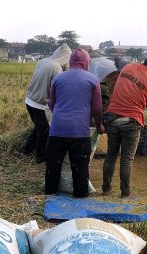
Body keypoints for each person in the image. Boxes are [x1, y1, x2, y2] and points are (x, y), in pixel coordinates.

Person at [102, 52, 147, 198]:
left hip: (112, 119)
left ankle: (106, 190)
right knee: (127, 159)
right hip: (132, 122)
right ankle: (125, 194)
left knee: (111, 156)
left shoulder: (128, 66)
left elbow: (119, 60)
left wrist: (118, 59)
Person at [44, 48, 104, 198]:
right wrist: (99, 125)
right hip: (80, 132)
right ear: (86, 62)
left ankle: (49, 195)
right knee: (80, 168)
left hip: (57, 130)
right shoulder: (92, 80)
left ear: (70, 62)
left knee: (53, 166)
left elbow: (52, 104)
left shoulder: (58, 78)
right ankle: (80, 196)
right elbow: (97, 108)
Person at [23, 44, 72, 163]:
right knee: (44, 131)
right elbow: (57, 88)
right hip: (40, 104)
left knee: (39, 127)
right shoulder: (57, 68)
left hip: (29, 100)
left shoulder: (43, 61)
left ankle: (26, 149)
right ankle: (40, 157)